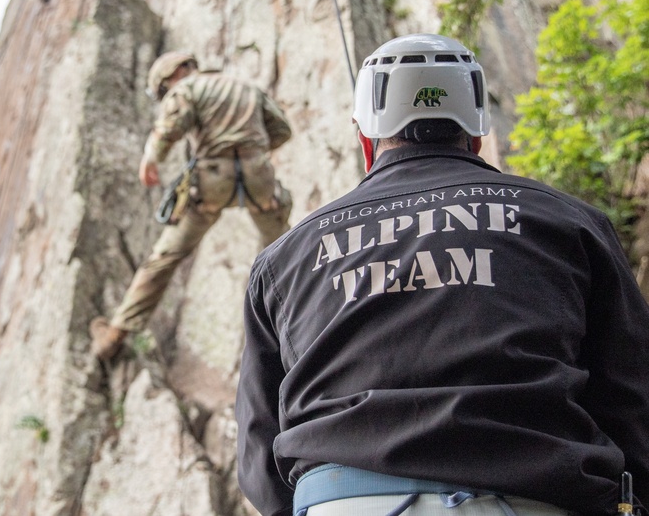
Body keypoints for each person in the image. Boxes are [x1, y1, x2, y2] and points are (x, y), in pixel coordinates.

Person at [235, 33, 649, 516]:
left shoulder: (285, 258)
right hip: (531, 495)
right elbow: (632, 399)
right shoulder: (566, 222)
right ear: (476, 132)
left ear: (366, 139)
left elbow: (260, 448)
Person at [89, 51, 294, 360]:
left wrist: (151, 157)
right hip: (259, 180)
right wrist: (253, 153)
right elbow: (281, 129)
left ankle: (115, 335)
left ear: (175, 74)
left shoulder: (186, 89)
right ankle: (296, 323)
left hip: (211, 183)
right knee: (282, 255)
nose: (166, 95)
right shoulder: (244, 87)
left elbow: (172, 123)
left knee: (166, 256)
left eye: (163, 89)